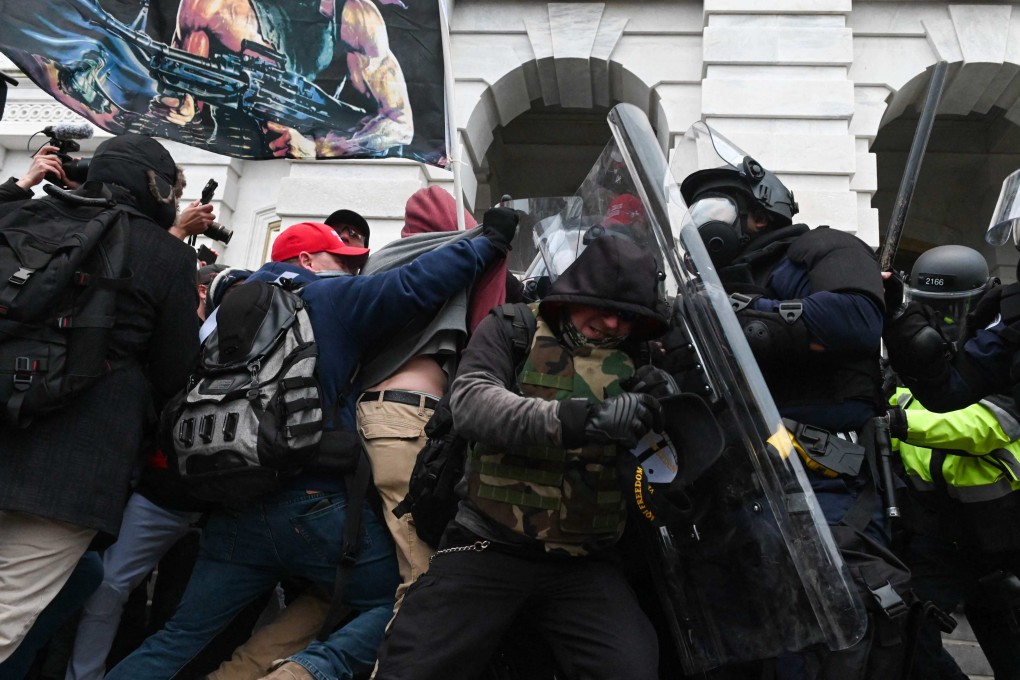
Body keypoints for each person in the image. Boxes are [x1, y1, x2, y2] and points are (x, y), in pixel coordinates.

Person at [107, 211, 517, 680]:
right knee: (412, 594)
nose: (352, 270)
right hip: (315, 503)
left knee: (176, 639)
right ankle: (306, 673)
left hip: (232, 507)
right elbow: (414, 284)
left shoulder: (224, 315)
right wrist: (490, 241)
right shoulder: (325, 296)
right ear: (307, 259)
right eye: (341, 260)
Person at [374, 234, 672, 680]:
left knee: (631, 667)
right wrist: (581, 420)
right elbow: (473, 402)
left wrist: (660, 411)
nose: (611, 323)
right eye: (601, 306)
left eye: (627, 316)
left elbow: (666, 462)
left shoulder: (640, 358)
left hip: (584, 560)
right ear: (574, 294)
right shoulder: (513, 329)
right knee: (414, 666)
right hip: (490, 543)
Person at [678, 153, 900, 678]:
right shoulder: (699, 292)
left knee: (825, 632)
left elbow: (856, 318)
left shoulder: (820, 249)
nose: (701, 223)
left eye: (715, 207)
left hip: (819, 478)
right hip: (730, 485)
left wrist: (749, 318)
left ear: (760, 213)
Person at [0, 133, 201, 662]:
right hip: (74, 467)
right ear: (153, 187)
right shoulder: (165, 254)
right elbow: (174, 368)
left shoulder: (22, 216)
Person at [154, 0, 412, 158]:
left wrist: (321, 148)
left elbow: (399, 124)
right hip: (230, 151)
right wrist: (185, 107)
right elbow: (185, 98)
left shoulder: (355, 17)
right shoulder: (211, 6)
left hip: (307, 164)